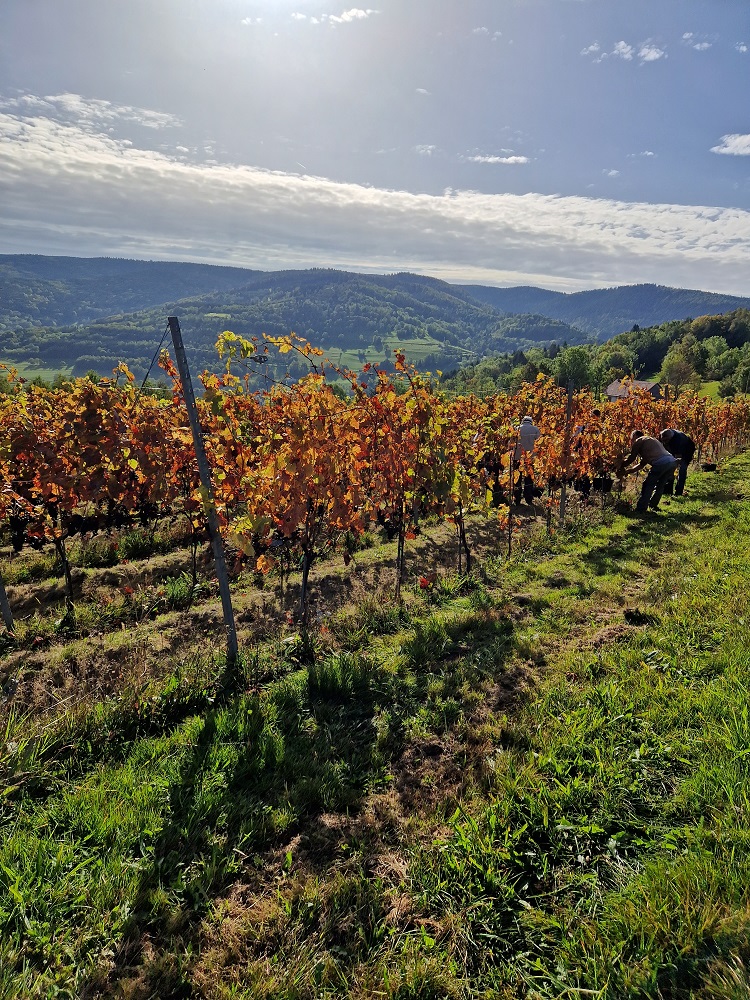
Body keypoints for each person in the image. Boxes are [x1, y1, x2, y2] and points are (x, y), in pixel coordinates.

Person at [621, 430, 680, 514]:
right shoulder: (650, 441)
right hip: (671, 462)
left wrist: (619, 465)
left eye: (632, 438)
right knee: (660, 485)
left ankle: (641, 509)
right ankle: (653, 506)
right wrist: (629, 471)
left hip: (661, 463)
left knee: (648, 484)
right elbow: (641, 464)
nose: (632, 441)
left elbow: (631, 458)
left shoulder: (639, 441)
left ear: (635, 436)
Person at [659, 428, 696, 497]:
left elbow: (678, 458)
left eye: (666, 440)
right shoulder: (663, 436)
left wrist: (672, 466)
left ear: (670, 438)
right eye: (663, 440)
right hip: (673, 450)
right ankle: (668, 490)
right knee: (669, 468)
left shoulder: (679, 440)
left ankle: (679, 491)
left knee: (682, 469)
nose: (664, 442)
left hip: (686, 451)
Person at [513, 415, 540, 505]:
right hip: (530, 458)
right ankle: (528, 498)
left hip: (517, 457)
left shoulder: (517, 428)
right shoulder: (535, 429)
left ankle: (517, 499)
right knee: (529, 479)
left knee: (517, 478)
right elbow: (539, 442)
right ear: (531, 421)